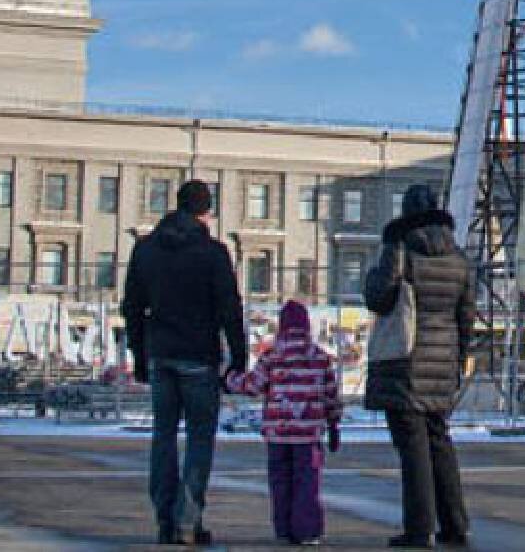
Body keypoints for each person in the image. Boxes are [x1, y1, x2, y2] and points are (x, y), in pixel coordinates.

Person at [122, 179, 247, 547]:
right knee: (199, 440)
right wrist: (239, 356)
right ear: (205, 211)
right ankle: (187, 520)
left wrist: (139, 354)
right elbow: (229, 307)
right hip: (198, 356)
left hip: (160, 353)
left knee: (163, 436)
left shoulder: (145, 250)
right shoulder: (213, 253)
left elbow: (131, 307)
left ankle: (165, 518)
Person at [363, 183, 474, 549]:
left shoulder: (401, 251)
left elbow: (378, 299)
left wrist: (374, 271)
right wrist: (459, 360)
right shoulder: (459, 258)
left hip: (406, 360)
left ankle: (419, 528)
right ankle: (456, 524)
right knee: (439, 440)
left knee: (413, 447)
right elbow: (466, 317)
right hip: (443, 363)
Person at [225, 299, 342, 547]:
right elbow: (331, 395)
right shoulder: (319, 357)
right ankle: (307, 530)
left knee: (280, 481)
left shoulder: (272, 356)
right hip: (308, 435)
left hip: (277, 434)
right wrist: (333, 424)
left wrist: (230, 379)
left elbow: (253, 386)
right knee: (307, 482)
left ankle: (284, 529)